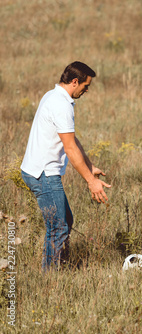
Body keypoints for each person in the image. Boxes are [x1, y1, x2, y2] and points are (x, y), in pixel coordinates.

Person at [21, 61, 111, 271]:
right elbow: (70, 148)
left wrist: (90, 166)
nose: (86, 90)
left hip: (39, 171)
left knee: (64, 222)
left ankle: (62, 266)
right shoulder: (61, 105)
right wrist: (91, 181)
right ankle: (51, 278)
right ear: (74, 81)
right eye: (85, 86)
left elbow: (70, 138)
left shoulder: (53, 96)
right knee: (58, 227)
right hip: (43, 174)